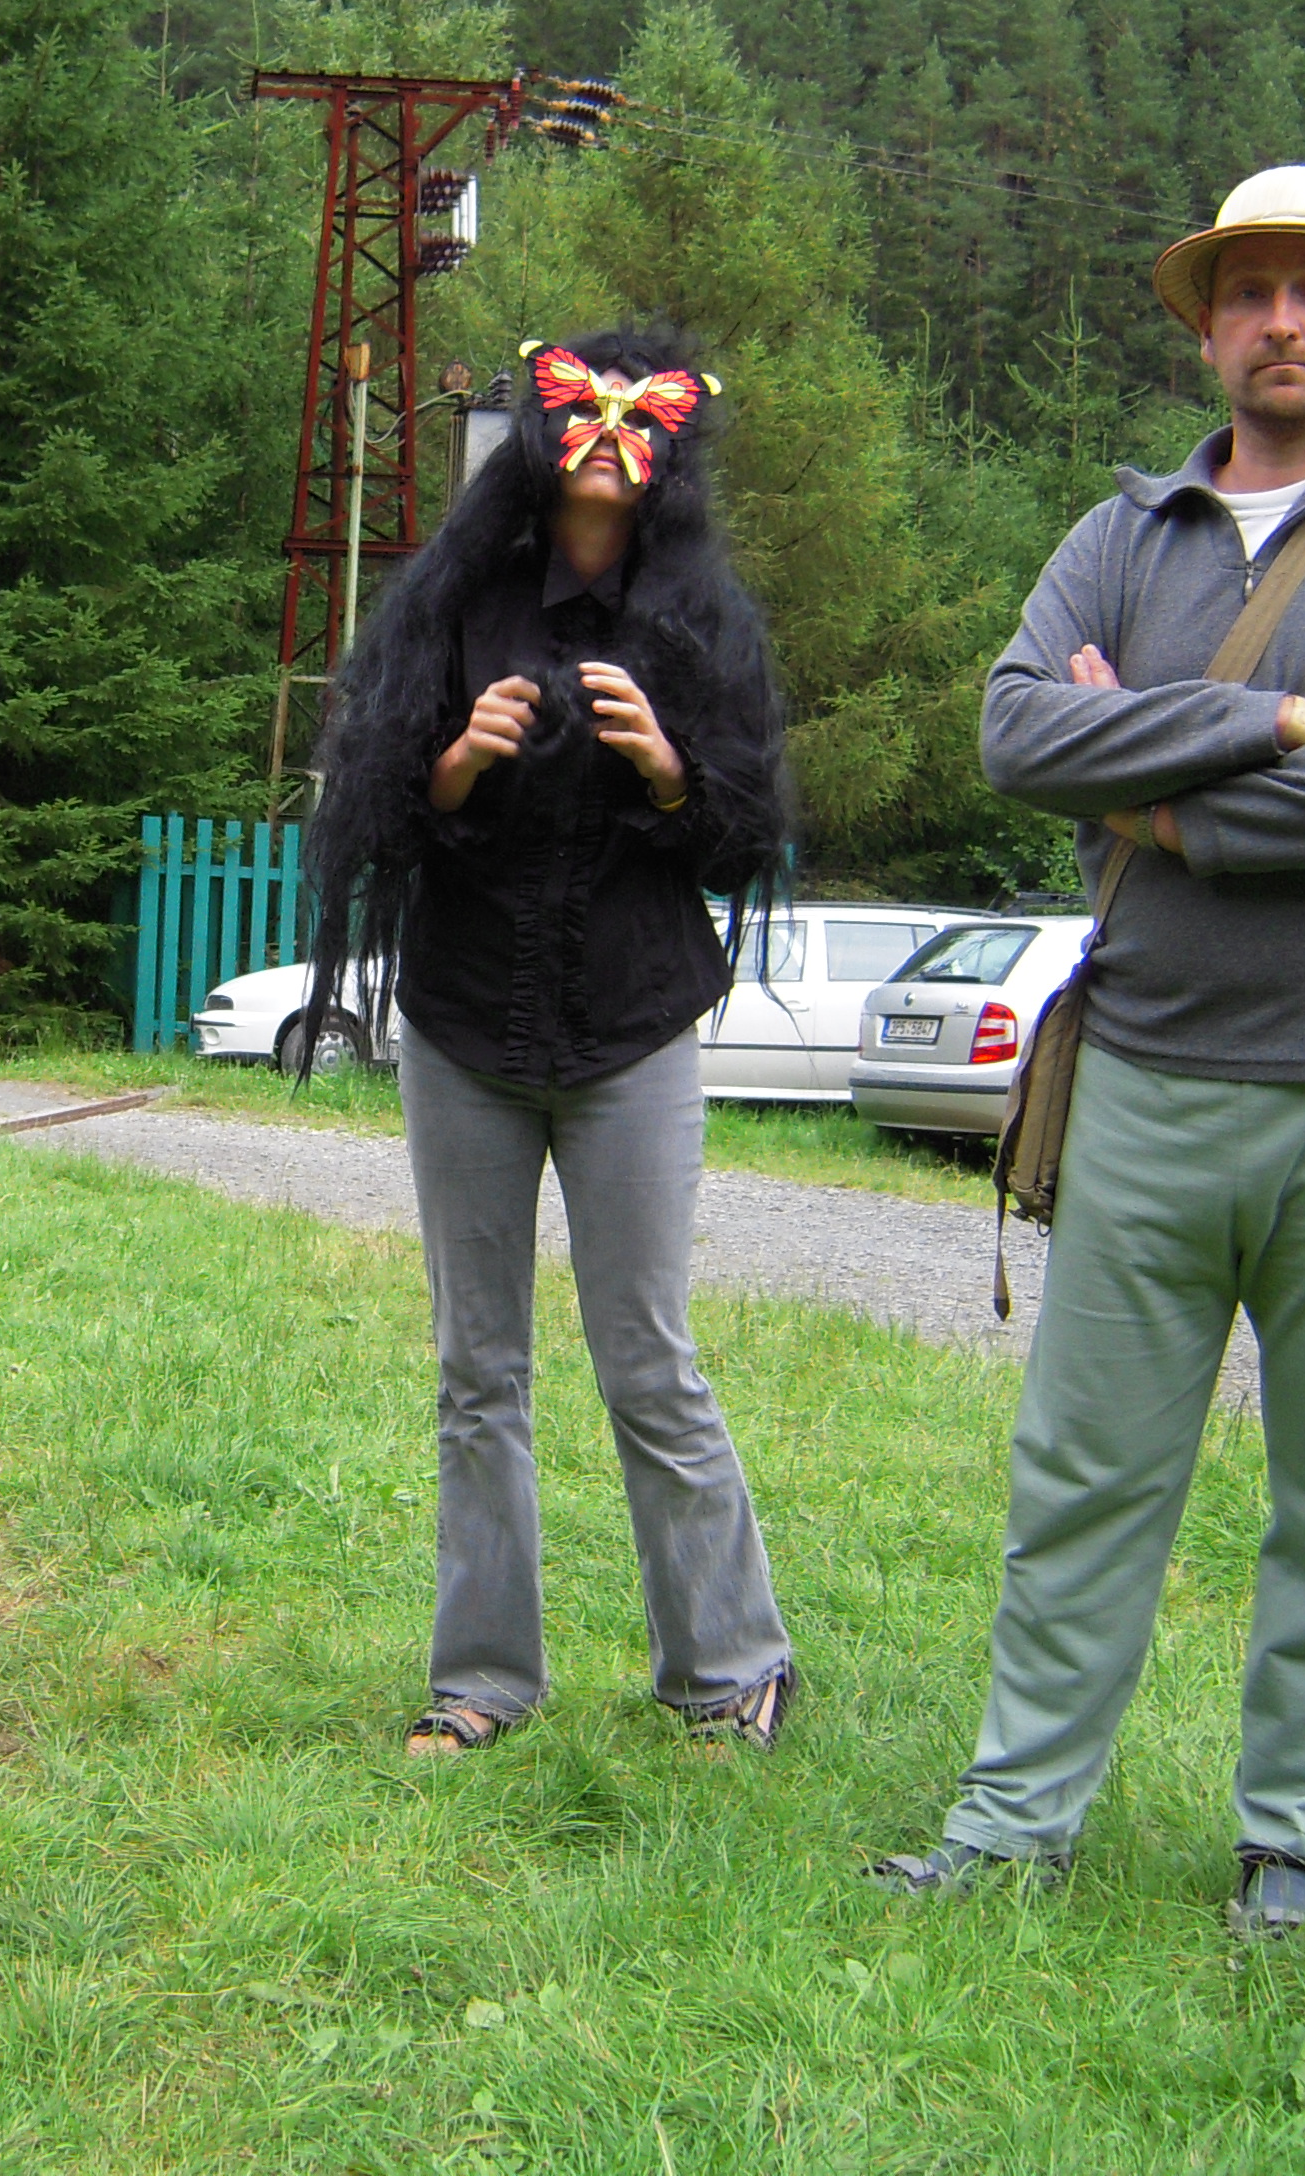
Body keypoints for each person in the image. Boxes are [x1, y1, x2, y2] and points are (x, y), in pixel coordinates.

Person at [869, 166, 1305, 1937]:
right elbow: (1019, 734)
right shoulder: (1123, 534)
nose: (1283, 320)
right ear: (1208, 327)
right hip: (1151, 1081)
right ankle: (1014, 1824)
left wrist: (1156, 800)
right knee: (1083, 1479)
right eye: (1251, 290)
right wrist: (1285, 716)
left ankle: (1295, 1846)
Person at [303, 330, 799, 1760]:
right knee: (479, 1373)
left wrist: (668, 770)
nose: (608, 446)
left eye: (639, 428)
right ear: (540, 434)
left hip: (630, 1031)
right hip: (464, 1023)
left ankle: (731, 1667)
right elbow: (374, 816)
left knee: (648, 1359)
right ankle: (482, 1681)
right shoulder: (457, 602)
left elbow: (748, 837)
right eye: (584, 419)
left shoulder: (702, 618)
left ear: (670, 459)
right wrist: (461, 761)